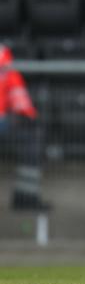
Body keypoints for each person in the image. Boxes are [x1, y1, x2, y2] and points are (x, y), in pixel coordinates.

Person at [1, 46, 47, 210]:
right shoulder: (7, 65)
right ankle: (26, 198)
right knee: (31, 141)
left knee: (31, 142)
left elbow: (17, 93)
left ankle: (25, 197)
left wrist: (27, 115)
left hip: (3, 122)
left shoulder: (6, 64)